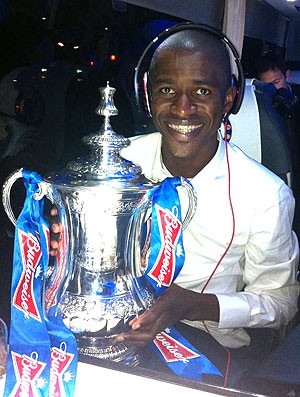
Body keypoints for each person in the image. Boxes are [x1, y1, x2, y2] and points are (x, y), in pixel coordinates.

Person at [50, 26, 299, 392]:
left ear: (229, 98)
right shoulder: (117, 162)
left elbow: (282, 302)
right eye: (167, 90)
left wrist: (193, 305)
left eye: (202, 91)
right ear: (146, 96)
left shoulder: (265, 194)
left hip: (203, 342)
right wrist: (63, 243)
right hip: (104, 324)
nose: (183, 108)